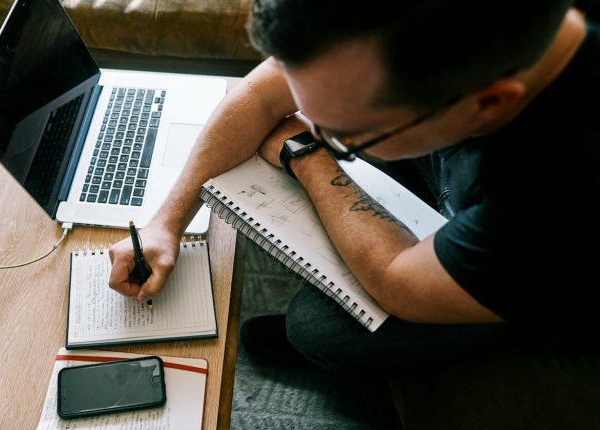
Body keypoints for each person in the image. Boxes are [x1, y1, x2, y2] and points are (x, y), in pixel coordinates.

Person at [107, 0, 600, 373]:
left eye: (345, 135)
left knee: (318, 331)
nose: (317, 128)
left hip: (551, 280)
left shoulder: (554, 201)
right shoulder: (413, 34)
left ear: (488, 105)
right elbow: (262, 94)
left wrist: (306, 152)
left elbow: (397, 281)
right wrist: (166, 222)